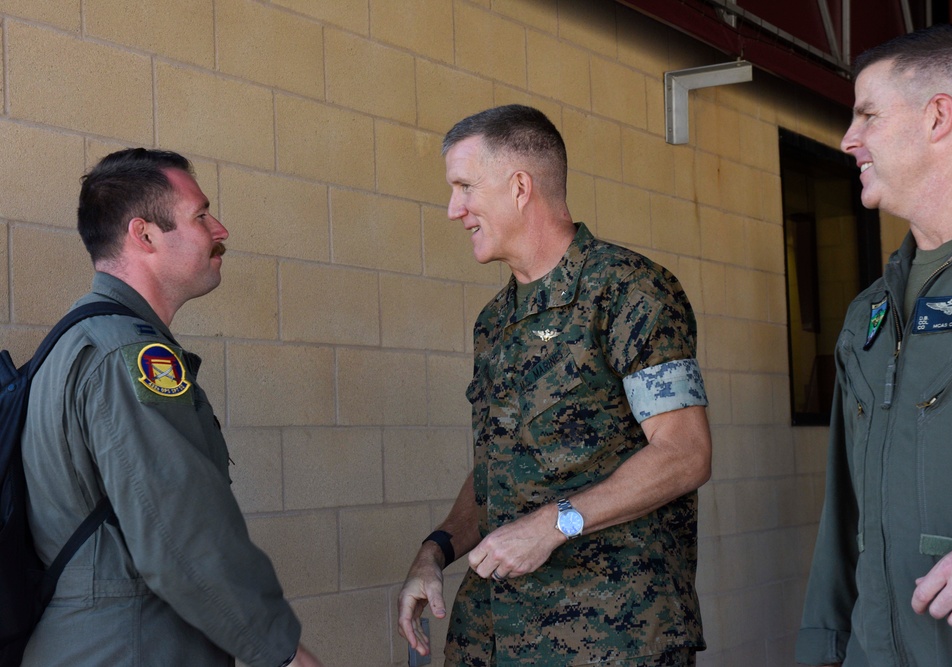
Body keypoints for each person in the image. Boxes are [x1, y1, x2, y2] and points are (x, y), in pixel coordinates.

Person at [396, 105, 713, 666]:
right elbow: (499, 464)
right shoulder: (495, 321)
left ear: (520, 187)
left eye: (465, 186)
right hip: (493, 632)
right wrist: (435, 551)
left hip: (612, 637)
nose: (454, 209)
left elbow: (685, 454)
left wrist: (554, 524)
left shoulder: (628, 291)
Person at [21, 148, 322, 667]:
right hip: (131, 645)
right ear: (145, 235)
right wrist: (283, 654)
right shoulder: (129, 355)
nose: (220, 229)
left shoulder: (81, 337)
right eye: (201, 215)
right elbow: (179, 538)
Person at [796, 24, 952, 667]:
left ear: (939, 116)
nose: (847, 139)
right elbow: (842, 523)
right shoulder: (868, 316)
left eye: (868, 114)